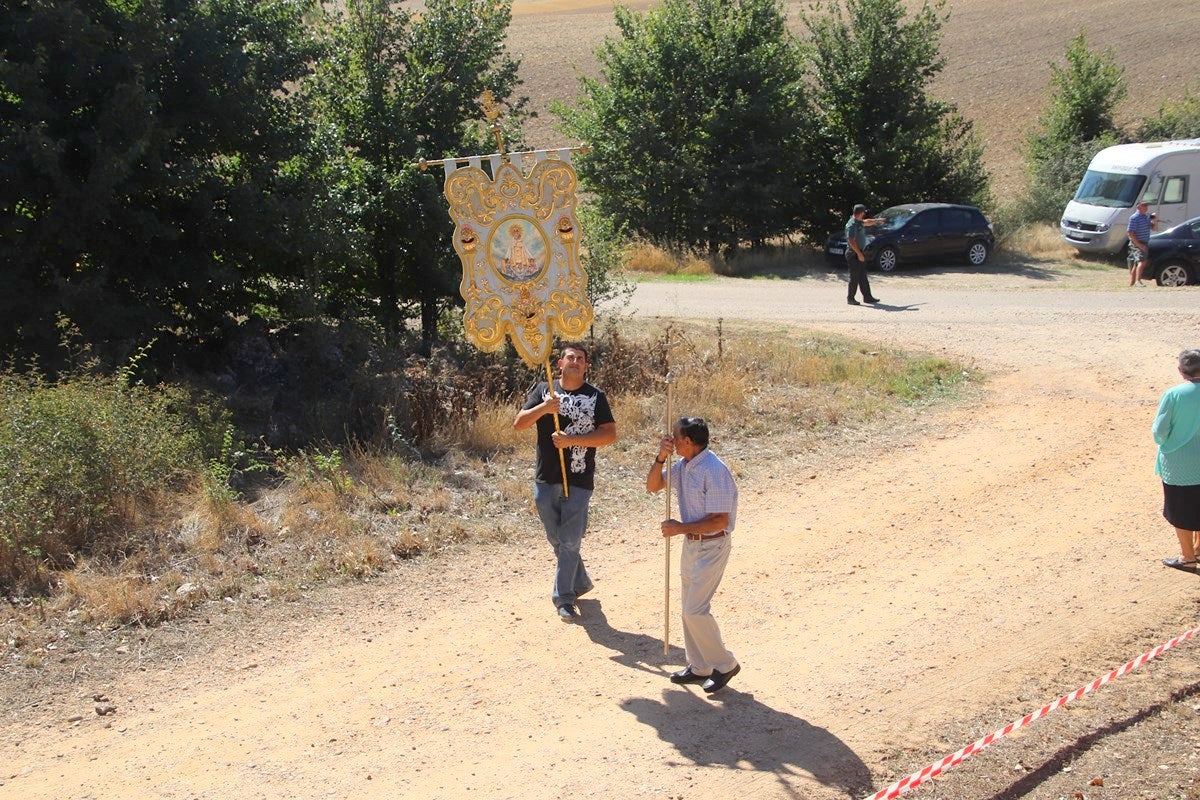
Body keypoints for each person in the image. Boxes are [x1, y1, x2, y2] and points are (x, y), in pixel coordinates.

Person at [514, 342, 617, 621]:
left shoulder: (595, 396)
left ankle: (564, 599)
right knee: (556, 538)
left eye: (580, 358)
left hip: (580, 479)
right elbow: (519, 423)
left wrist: (572, 440)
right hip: (546, 477)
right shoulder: (543, 389)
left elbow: (609, 435)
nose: (575, 361)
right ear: (560, 363)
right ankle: (579, 580)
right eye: (570, 357)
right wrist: (544, 409)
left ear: (585, 365)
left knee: (570, 540)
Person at [646, 417, 740, 693]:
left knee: (694, 610)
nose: (671, 439)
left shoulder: (714, 470)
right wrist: (661, 457)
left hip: (713, 546)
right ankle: (699, 666)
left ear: (687, 442)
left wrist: (680, 528)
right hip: (691, 545)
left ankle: (725, 664)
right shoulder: (684, 466)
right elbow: (653, 486)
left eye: (674, 437)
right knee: (688, 609)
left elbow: (720, 521)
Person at [1153, 349, 1200, 572]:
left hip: (1180, 465)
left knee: (1181, 509)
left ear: (1181, 371)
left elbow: (1160, 431)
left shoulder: (1174, 394)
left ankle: (1188, 557)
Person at [845, 203, 885, 305]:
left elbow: (866, 222)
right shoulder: (852, 224)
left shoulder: (858, 222)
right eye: (864, 212)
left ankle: (867, 297)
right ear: (861, 213)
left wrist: (877, 221)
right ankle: (850, 298)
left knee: (862, 276)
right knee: (854, 277)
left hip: (858, 252)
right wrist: (859, 254)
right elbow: (851, 240)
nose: (864, 214)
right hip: (853, 253)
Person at [1126, 201, 1157, 286]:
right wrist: (1138, 244)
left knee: (1137, 263)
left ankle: (1132, 283)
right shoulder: (1134, 217)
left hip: (1144, 242)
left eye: (1146, 205)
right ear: (1138, 207)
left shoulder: (1145, 217)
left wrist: (1154, 220)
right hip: (1137, 242)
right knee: (1142, 261)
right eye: (1144, 205)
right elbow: (1130, 232)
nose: (1146, 207)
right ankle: (1138, 281)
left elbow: (1153, 229)